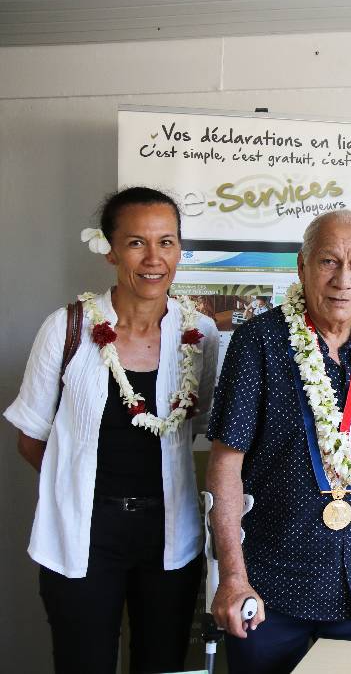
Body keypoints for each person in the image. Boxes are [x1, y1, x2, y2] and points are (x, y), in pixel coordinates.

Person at [4, 186, 219, 674]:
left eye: (166, 242)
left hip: (169, 531)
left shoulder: (199, 334)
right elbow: (30, 434)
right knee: (84, 663)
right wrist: (73, 485)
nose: (153, 258)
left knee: (163, 663)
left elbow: (204, 426)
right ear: (110, 249)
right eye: (136, 242)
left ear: (180, 250)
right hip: (84, 529)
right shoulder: (68, 328)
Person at [204, 209, 351, 674]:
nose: (343, 278)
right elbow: (225, 466)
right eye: (328, 262)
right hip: (271, 584)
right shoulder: (258, 342)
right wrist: (233, 578)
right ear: (302, 267)